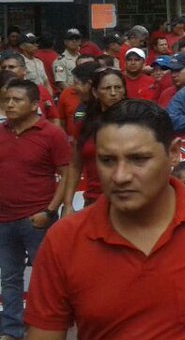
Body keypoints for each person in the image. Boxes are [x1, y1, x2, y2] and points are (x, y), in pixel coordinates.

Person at [24, 99, 185, 339]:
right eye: (107, 160)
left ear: (173, 153)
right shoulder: (64, 240)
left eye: (138, 159)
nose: (120, 176)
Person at [0, 80, 71, 340]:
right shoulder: (0, 132)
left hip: (37, 219)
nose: (10, 105)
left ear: (33, 105)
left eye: (17, 100)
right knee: (9, 278)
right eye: (7, 100)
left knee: (47, 279)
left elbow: (67, 175)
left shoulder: (52, 134)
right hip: (3, 220)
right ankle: (11, 330)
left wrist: (50, 212)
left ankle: (48, 329)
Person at [63, 68, 129, 211]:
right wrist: (68, 204)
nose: (113, 93)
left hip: (129, 200)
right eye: (107, 88)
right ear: (95, 92)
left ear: (124, 90)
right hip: (94, 201)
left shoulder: (137, 123)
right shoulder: (84, 125)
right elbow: (75, 166)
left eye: (118, 87)